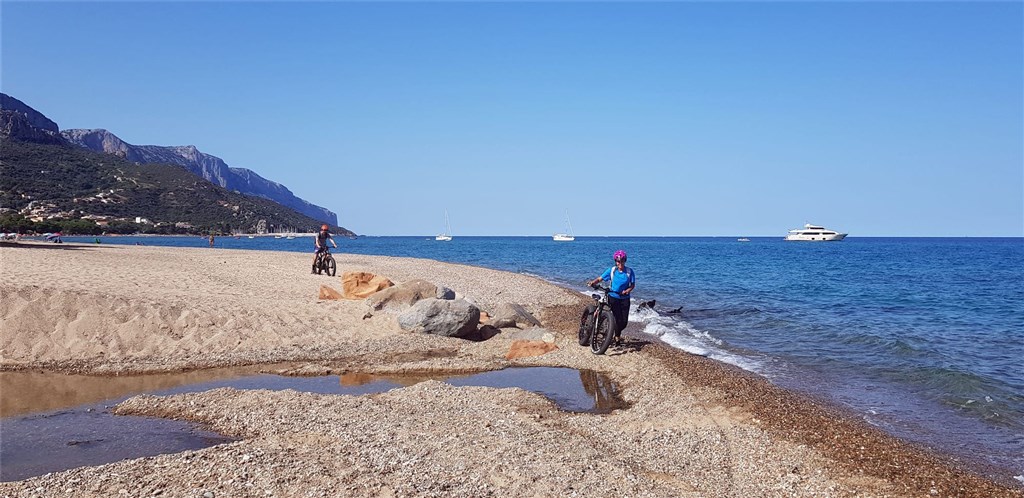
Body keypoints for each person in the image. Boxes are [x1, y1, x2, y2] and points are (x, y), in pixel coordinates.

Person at [589, 249, 635, 345]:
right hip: (613, 296)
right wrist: (593, 282)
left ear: (625, 260)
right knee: (617, 318)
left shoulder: (629, 272)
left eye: (622, 260)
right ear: (615, 261)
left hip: (625, 298)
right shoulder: (612, 270)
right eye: (618, 261)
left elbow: (632, 285)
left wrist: (627, 291)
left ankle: (613, 332)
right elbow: (600, 278)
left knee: (624, 322)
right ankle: (616, 336)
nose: (620, 263)